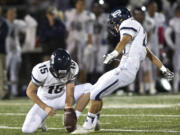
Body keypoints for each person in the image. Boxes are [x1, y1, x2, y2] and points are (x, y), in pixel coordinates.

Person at [72, 8, 174, 134]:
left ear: (120, 19)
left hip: (126, 70)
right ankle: (95, 120)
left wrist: (113, 54)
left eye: (115, 22)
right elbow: (150, 54)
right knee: (95, 89)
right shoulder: (139, 31)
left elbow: (124, 39)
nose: (114, 26)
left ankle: (88, 126)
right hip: (124, 69)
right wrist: (164, 69)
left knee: (95, 94)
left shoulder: (128, 23)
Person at [22, 48, 92, 133]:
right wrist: (45, 107)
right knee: (27, 130)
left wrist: (68, 110)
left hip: (62, 96)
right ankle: (41, 120)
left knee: (89, 88)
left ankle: (74, 118)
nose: (61, 75)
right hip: (45, 101)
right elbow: (29, 91)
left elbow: (70, 92)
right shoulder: (41, 71)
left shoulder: (73, 68)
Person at [65, 0, 95, 83]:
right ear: (76, 4)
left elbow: (90, 31)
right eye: (79, 4)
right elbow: (66, 29)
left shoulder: (88, 15)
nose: (80, 5)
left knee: (82, 65)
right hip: (70, 42)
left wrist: (90, 44)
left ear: (84, 5)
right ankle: (69, 84)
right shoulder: (69, 13)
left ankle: (82, 85)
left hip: (82, 43)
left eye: (82, 4)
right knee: (67, 63)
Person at [165, 4, 180, 93]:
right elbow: (167, 34)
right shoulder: (173, 21)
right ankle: (175, 87)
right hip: (178, 48)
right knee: (177, 69)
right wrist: (172, 45)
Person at [0, 7, 8, 99]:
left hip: (1, 51)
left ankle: (3, 93)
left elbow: (3, 36)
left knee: (2, 73)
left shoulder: (3, 23)